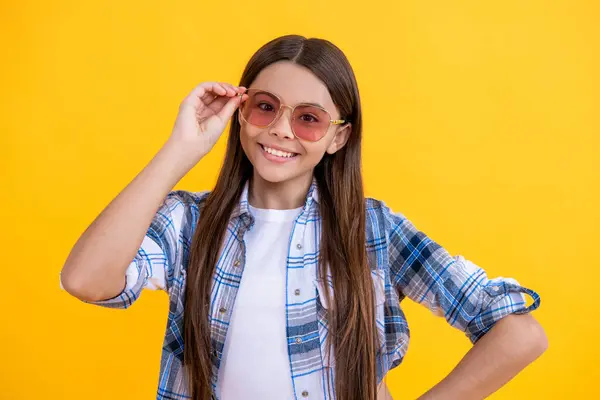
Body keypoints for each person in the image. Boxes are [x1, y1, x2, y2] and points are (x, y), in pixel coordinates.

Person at [60, 35, 547, 400]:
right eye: (264, 108)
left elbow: (520, 334)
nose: (280, 130)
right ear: (240, 112)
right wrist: (180, 150)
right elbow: (86, 280)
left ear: (338, 137)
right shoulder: (190, 223)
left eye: (308, 117)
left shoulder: (372, 230)